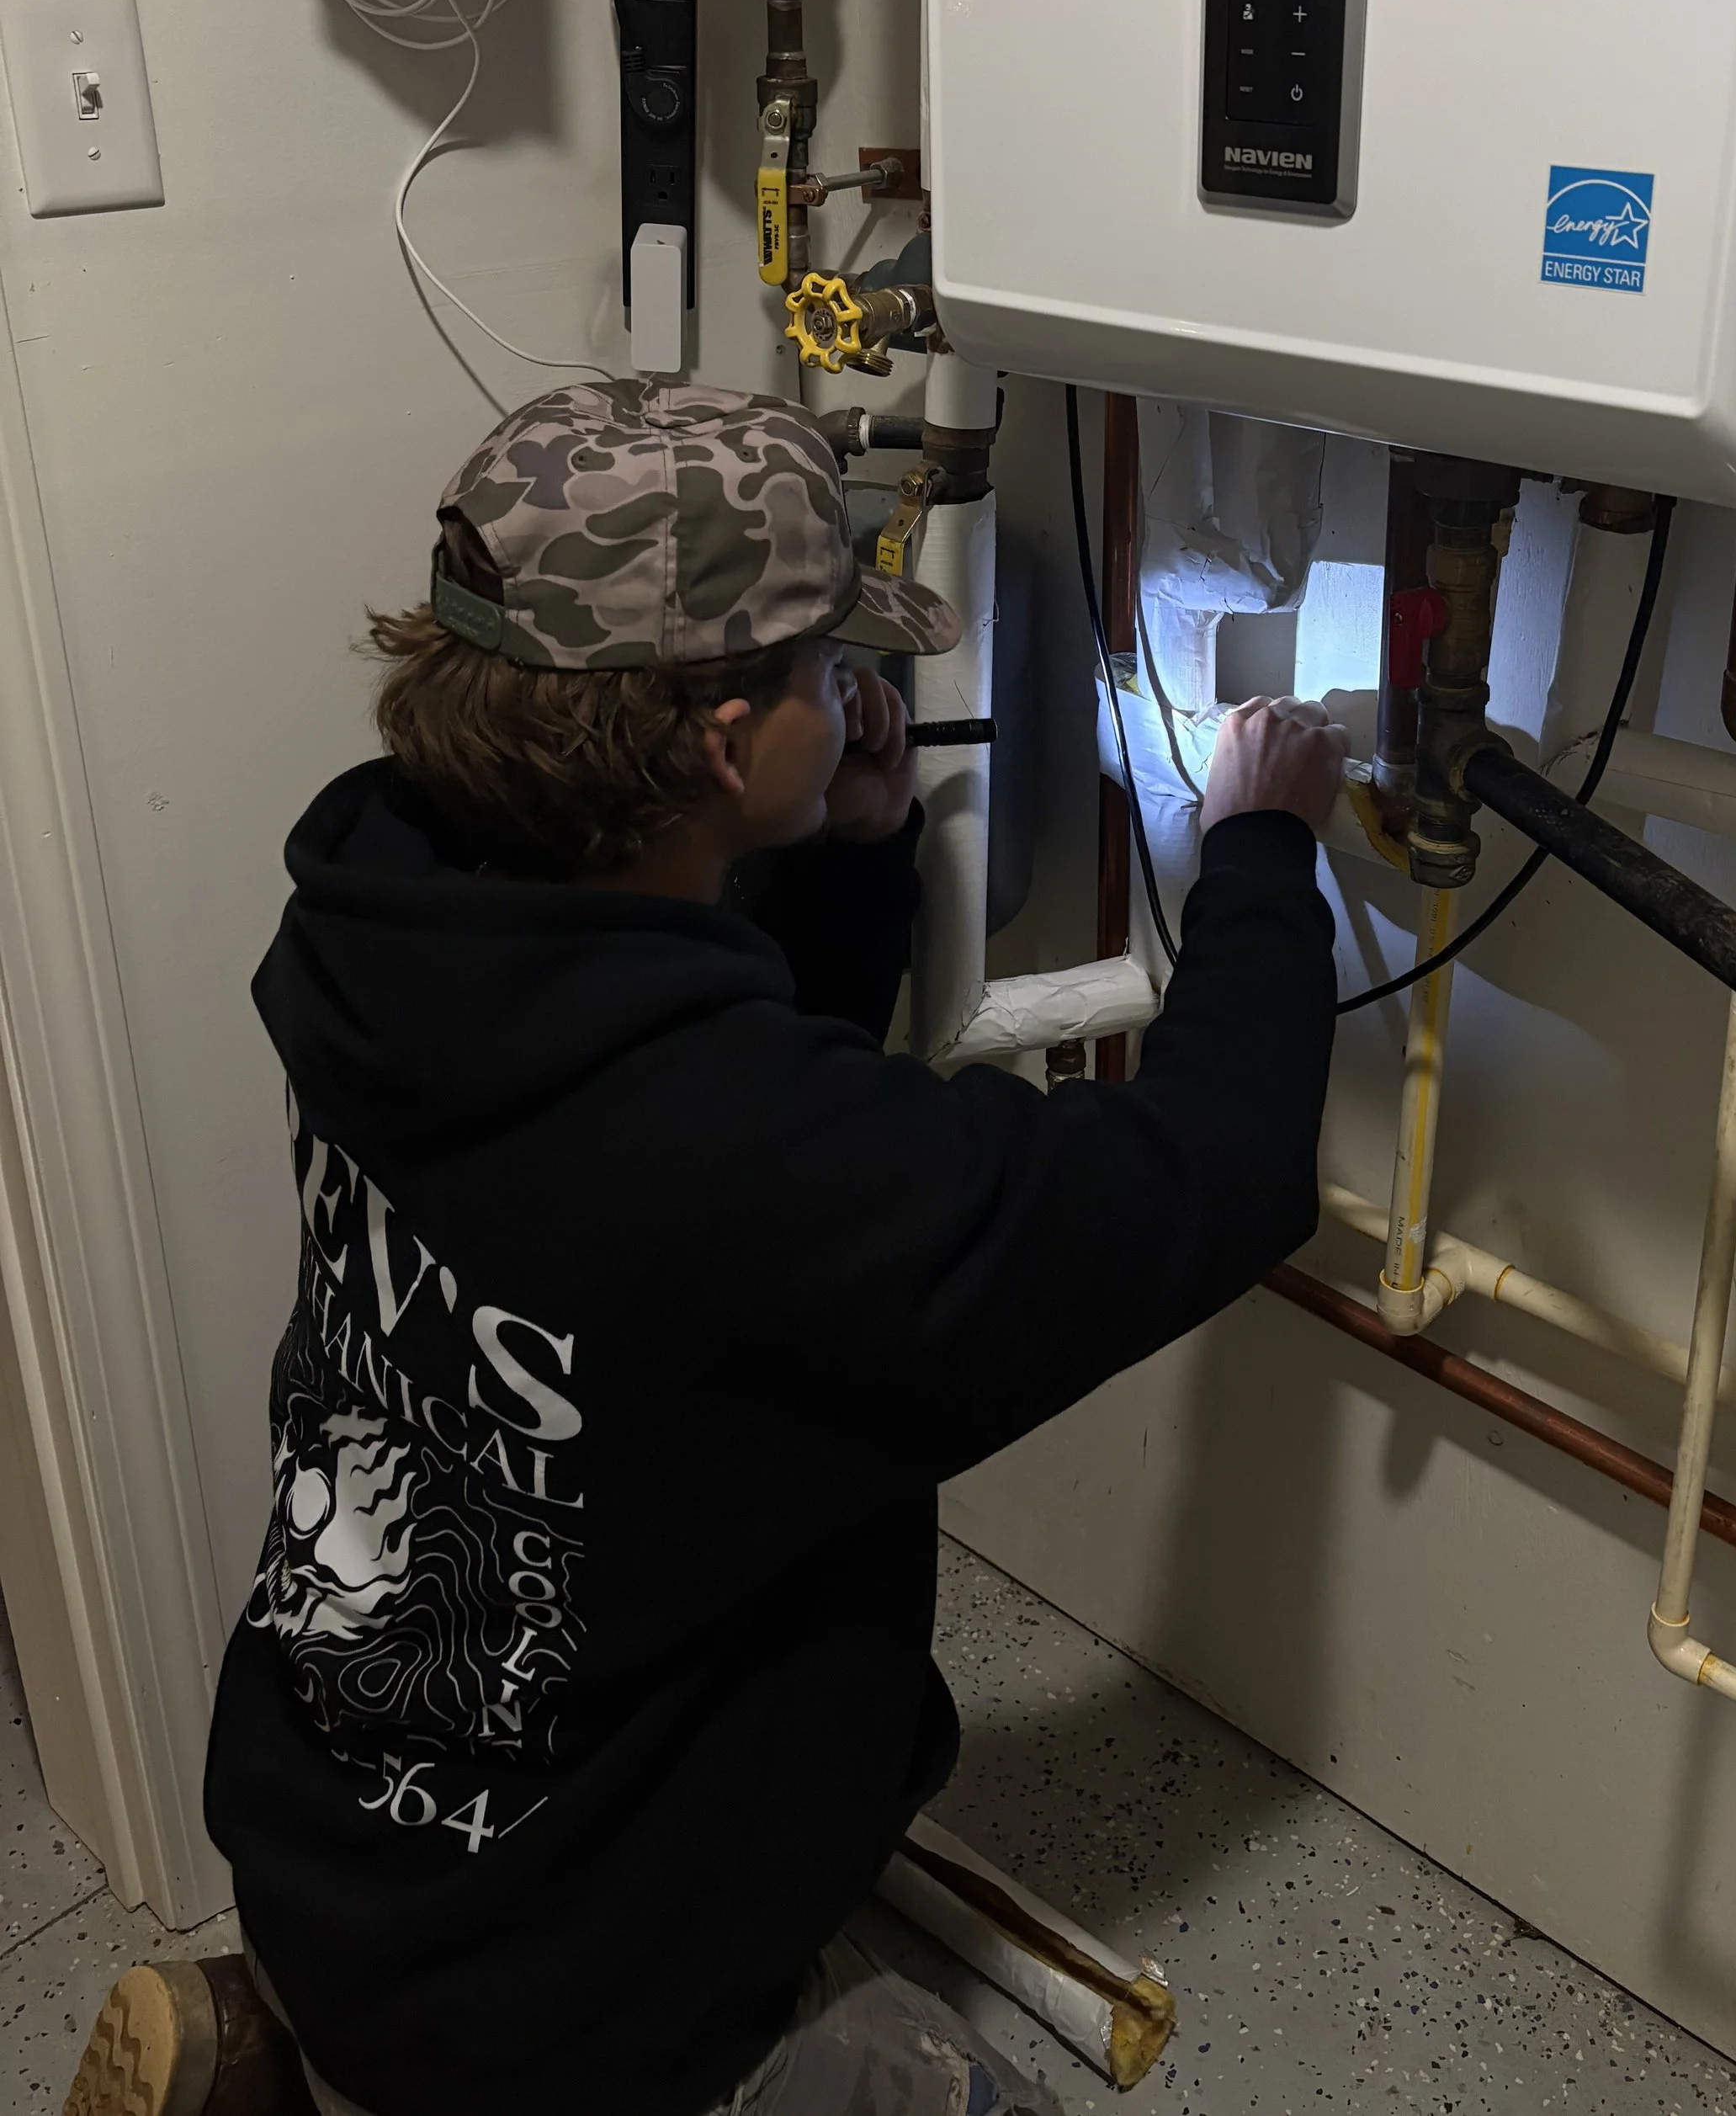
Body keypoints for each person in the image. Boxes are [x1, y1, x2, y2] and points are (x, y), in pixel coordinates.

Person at [66, 380, 1346, 2116]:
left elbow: (691, 1130)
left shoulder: (377, 920)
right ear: (727, 746)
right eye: (828, 669)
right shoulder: (741, 1161)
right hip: (563, 1999)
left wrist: (849, 856)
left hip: (332, 1833)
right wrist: (1261, 844)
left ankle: (278, 2046)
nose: (858, 695)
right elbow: (1215, 1168)